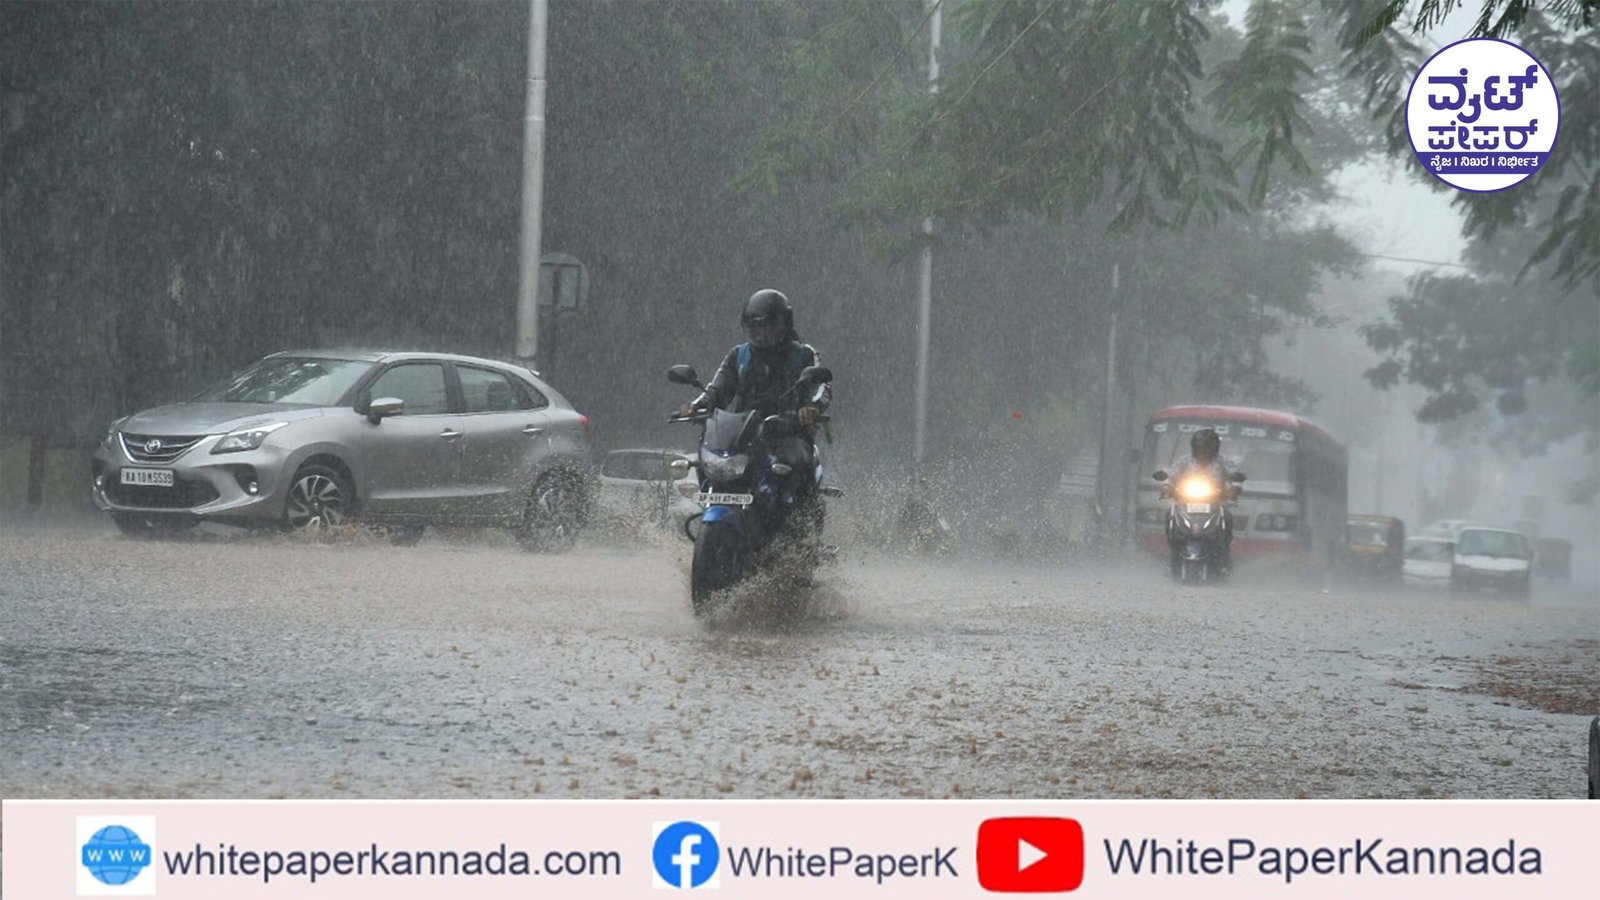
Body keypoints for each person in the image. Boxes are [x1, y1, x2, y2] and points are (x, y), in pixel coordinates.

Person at [678, 289, 830, 429]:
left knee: (792, 451)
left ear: (783, 325)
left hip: (792, 436)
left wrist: (811, 407)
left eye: (765, 328)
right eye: (752, 329)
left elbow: (821, 388)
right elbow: (717, 391)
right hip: (742, 437)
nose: (758, 336)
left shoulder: (803, 354)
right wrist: (697, 406)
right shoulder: (739, 356)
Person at [1166, 428, 1240, 574]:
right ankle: (1173, 558)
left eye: (1206, 448)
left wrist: (1234, 488)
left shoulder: (1223, 461)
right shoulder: (1185, 460)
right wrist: (1167, 486)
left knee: (1227, 517)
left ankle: (1225, 559)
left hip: (1215, 502)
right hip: (1186, 502)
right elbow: (1171, 475)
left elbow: (1235, 476)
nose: (1202, 452)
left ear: (1214, 448)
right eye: (1199, 448)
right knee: (1170, 516)